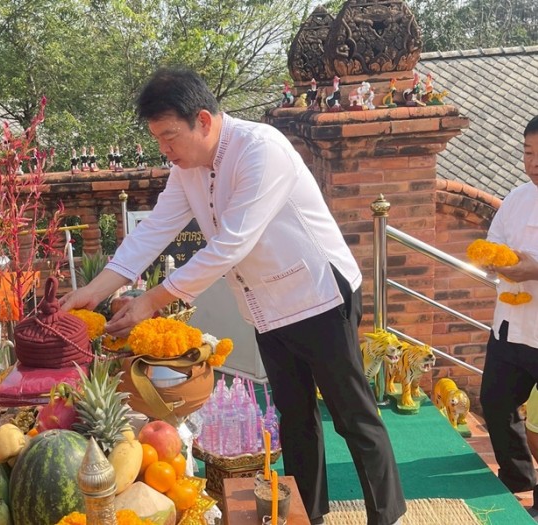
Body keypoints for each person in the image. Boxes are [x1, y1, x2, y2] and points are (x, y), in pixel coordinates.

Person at [60, 68, 406, 525]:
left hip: (320, 294)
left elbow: (230, 245)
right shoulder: (186, 170)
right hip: (267, 308)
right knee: (294, 419)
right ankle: (307, 516)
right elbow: (152, 233)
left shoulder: (261, 150)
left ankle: (387, 516)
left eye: (169, 137)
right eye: (157, 139)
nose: (164, 150)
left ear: (203, 120)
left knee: (352, 416)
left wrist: (150, 301)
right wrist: (93, 290)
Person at [479, 115, 538, 502]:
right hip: (509, 325)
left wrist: (534, 268)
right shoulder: (517, 197)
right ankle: (517, 476)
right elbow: (494, 239)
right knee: (496, 399)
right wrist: (495, 258)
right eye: (528, 152)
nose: (533, 163)